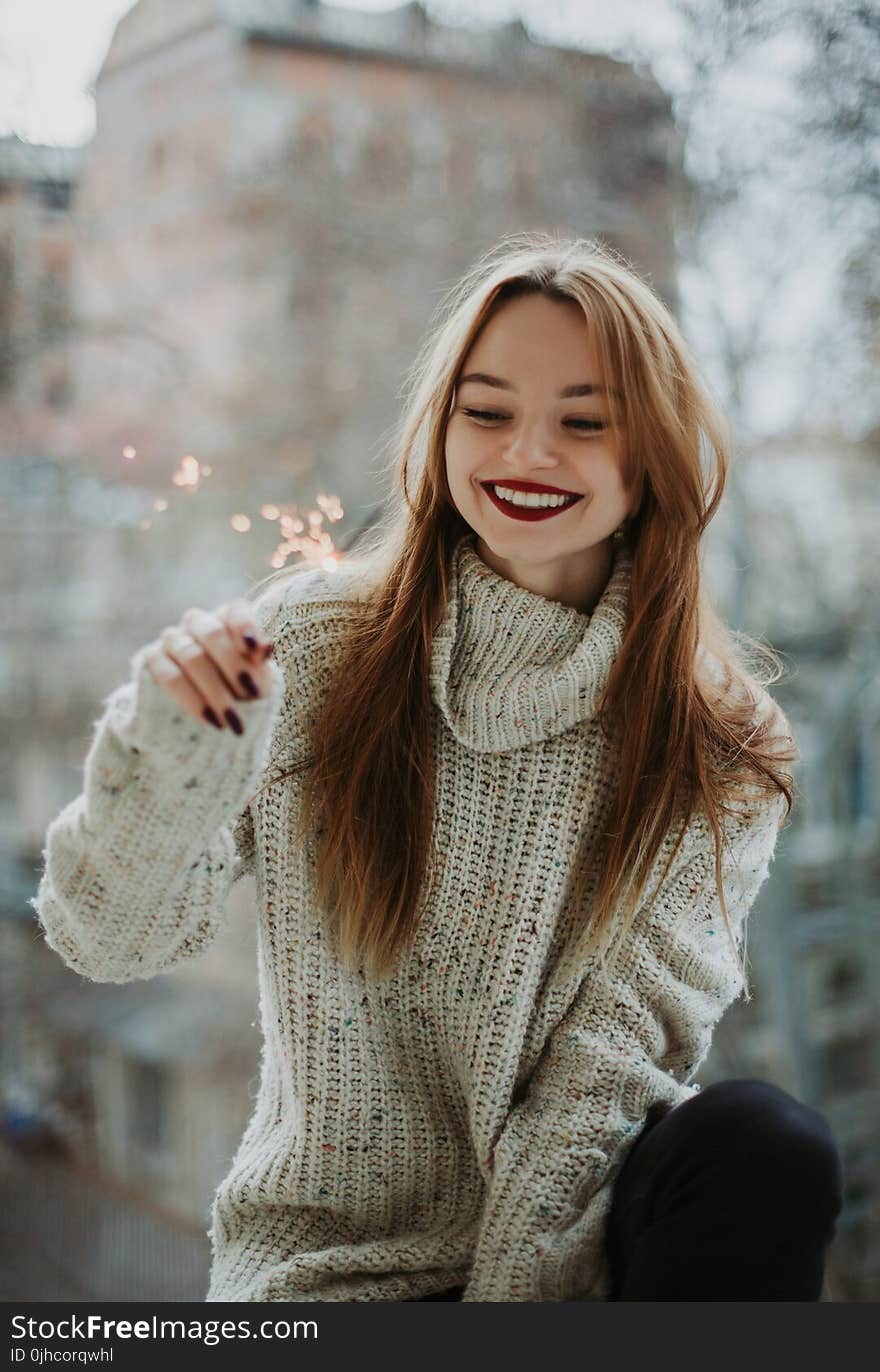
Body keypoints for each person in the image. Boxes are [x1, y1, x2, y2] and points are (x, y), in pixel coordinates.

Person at [30, 232, 843, 1303]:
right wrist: (178, 748)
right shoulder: (314, 646)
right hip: (322, 1269)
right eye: (487, 410)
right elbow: (109, 939)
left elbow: (603, 1077)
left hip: (567, 1251)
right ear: (441, 425)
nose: (526, 453)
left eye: (583, 422)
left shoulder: (716, 742)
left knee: (764, 1140)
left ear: (649, 451)